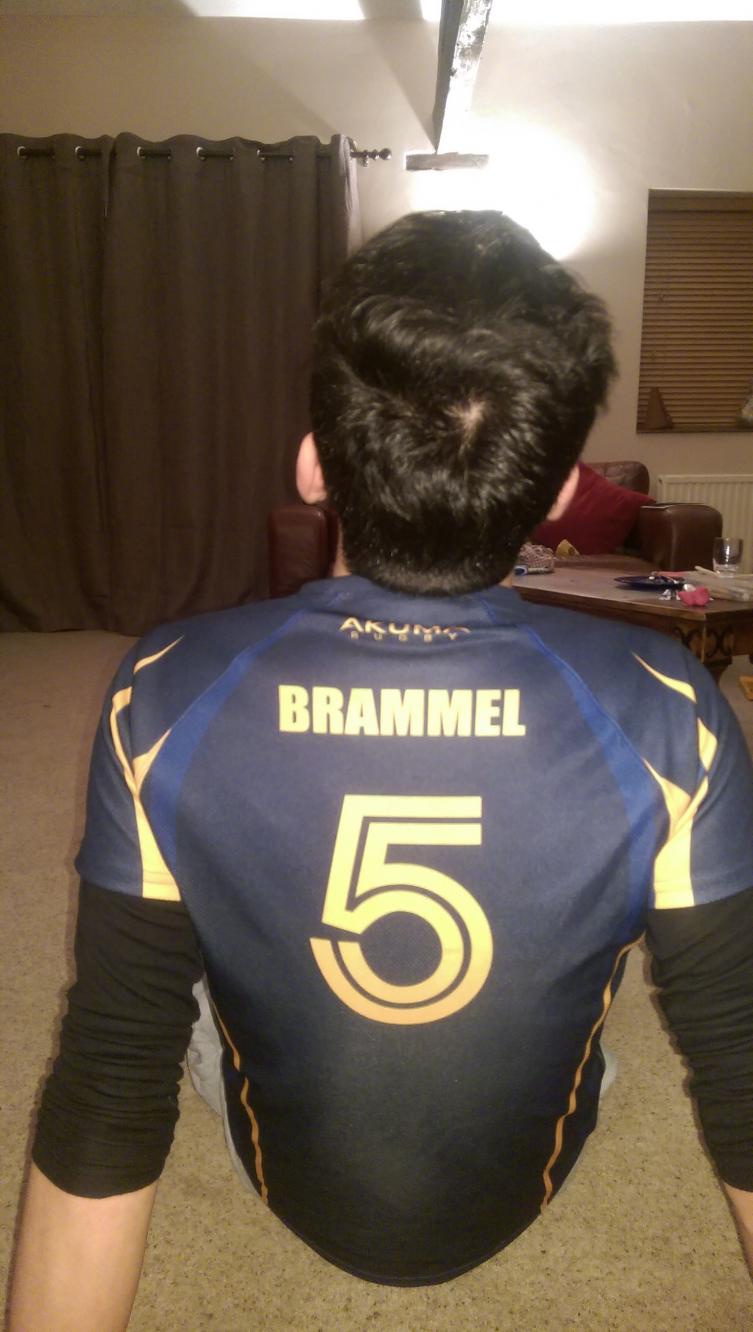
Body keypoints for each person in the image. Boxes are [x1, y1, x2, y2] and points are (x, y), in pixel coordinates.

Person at [9, 210, 753, 1328]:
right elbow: (740, 1063)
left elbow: (112, 1076)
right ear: (559, 493)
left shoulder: (161, 686)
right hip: (529, 1187)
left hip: (283, 1182)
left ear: (314, 465)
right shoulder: (670, 705)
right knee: (628, 1006)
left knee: (167, 980)